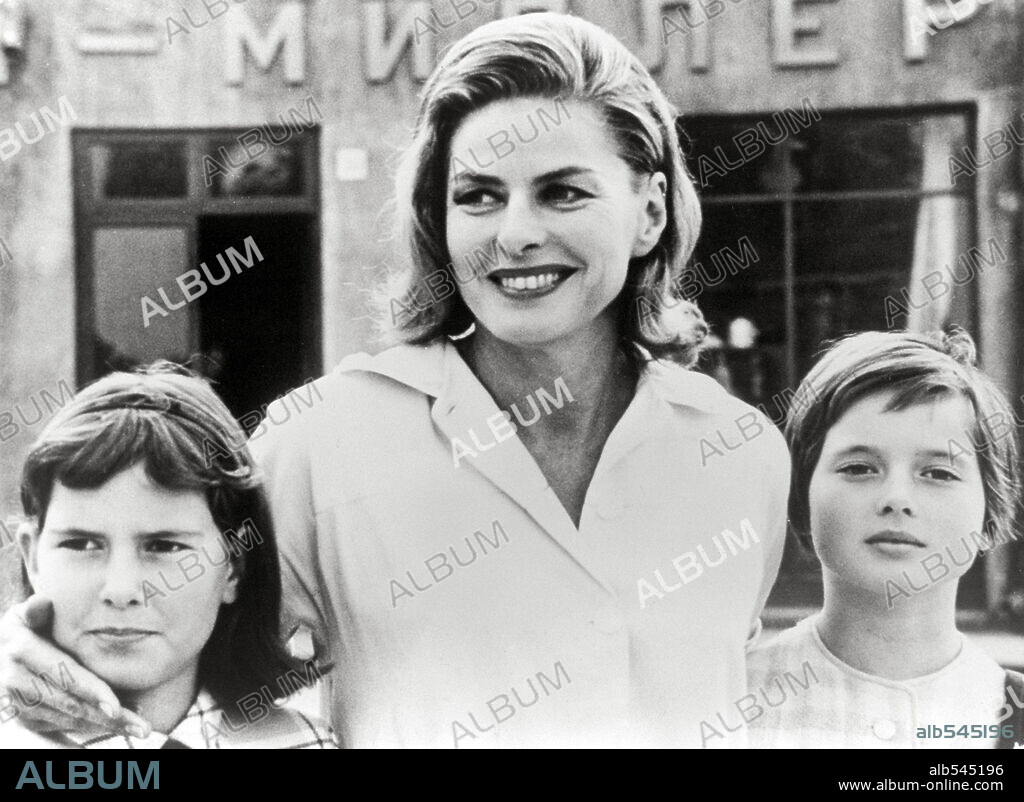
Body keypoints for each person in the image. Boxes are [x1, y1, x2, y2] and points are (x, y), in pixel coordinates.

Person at [0, 12, 788, 748]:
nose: (515, 234)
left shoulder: (741, 453)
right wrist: (20, 647)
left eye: (563, 191)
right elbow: (144, 610)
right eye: (477, 196)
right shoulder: (321, 442)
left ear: (650, 212)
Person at [0, 364, 336, 749]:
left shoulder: (305, 743)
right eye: (81, 544)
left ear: (233, 566)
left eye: (164, 546)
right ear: (33, 557)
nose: (122, 590)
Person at [746, 330, 1024, 749]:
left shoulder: (1010, 712)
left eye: (939, 473)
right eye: (859, 468)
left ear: (991, 505)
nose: (897, 499)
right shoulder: (730, 699)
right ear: (802, 491)